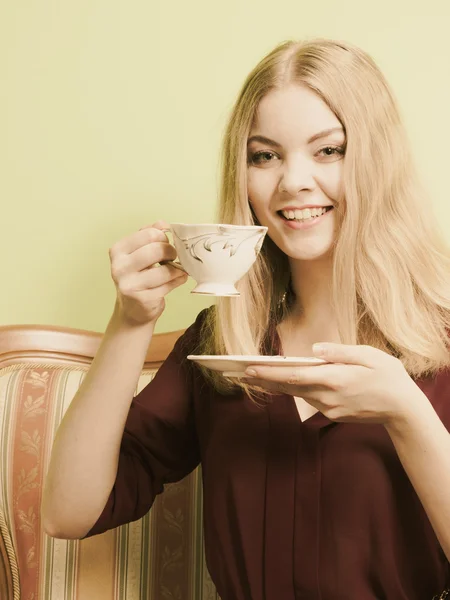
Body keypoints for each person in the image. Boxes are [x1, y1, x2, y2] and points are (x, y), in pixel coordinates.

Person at [42, 38, 450, 599]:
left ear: (377, 159)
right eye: (265, 155)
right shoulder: (220, 343)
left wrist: (407, 413)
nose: (292, 182)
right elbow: (68, 512)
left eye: (328, 150)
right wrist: (131, 320)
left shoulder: (443, 337)